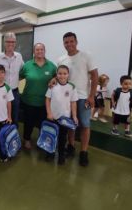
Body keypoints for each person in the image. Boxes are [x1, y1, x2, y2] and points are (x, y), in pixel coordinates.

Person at [57, 32, 98, 167]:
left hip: (83, 98)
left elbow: (95, 76)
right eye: (66, 42)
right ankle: (71, 147)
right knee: (70, 124)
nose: (69, 44)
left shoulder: (86, 56)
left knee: (85, 125)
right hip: (67, 99)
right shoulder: (61, 59)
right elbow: (59, 76)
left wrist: (92, 96)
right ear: (64, 44)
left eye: (71, 41)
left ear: (76, 41)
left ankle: (84, 153)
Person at [20, 43, 57, 149]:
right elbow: (21, 77)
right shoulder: (27, 65)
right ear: (34, 52)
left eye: (41, 49)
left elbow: (58, 76)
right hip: (29, 101)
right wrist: (21, 90)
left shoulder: (51, 66)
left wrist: (54, 79)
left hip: (45, 102)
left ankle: (43, 140)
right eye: (37, 49)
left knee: (43, 124)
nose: (39, 51)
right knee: (28, 123)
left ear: (45, 51)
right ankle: (27, 139)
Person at [45, 65, 78, 165]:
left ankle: (61, 155)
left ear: (68, 75)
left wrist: (74, 116)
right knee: (51, 135)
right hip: (52, 117)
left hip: (65, 119)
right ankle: (50, 152)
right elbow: (47, 99)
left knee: (63, 137)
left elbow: (73, 102)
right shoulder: (52, 85)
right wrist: (49, 113)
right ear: (56, 74)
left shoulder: (72, 87)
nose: (62, 75)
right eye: (60, 73)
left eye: (65, 73)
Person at [0, 32, 24, 125]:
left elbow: (22, 71)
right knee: (2, 115)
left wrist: (17, 79)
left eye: (13, 42)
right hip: (1, 91)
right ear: (4, 43)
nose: (10, 44)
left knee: (15, 116)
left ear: (15, 43)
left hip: (14, 92)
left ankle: (13, 137)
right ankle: (3, 136)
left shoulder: (19, 56)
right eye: (8, 41)